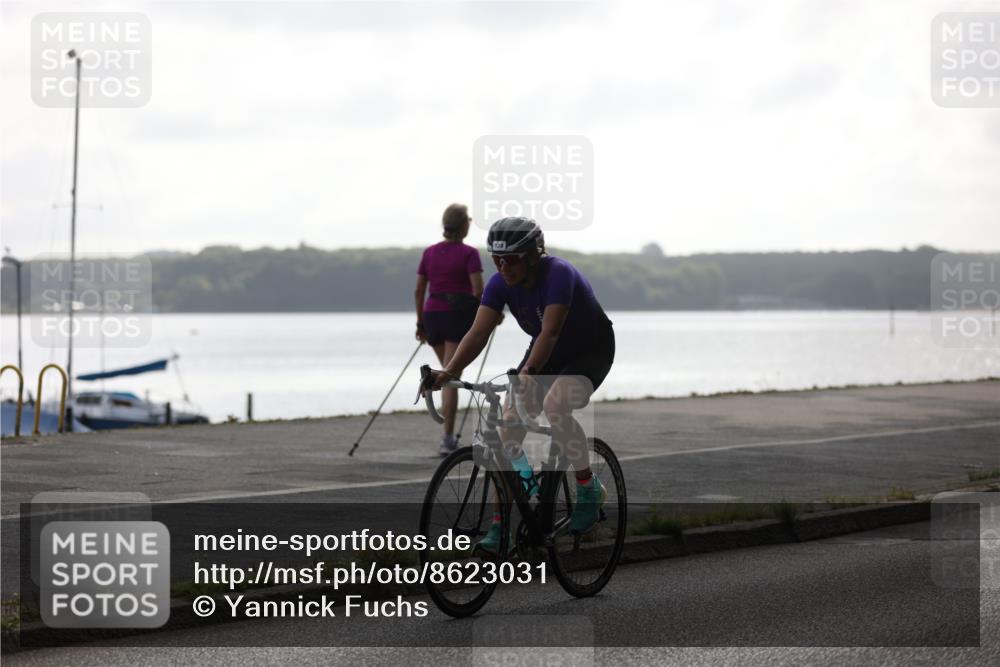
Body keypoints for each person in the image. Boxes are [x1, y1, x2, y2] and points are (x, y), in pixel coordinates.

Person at [427, 217, 615, 552]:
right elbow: (477, 332)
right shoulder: (499, 284)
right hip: (547, 352)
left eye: (510, 258)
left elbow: (551, 332)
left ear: (532, 255)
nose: (503, 266)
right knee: (506, 433)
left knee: (556, 404)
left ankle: (587, 484)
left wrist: (529, 372)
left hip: (590, 349)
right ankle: (503, 528)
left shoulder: (558, 273)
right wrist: (448, 371)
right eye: (496, 259)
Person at [415, 203, 484, 455]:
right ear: (464, 224)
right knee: (451, 375)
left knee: (446, 371)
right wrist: (488, 317)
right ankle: (447, 439)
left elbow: (419, 289)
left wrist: (420, 322)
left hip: (432, 315)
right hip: (457, 316)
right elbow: (478, 291)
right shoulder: (469, 254)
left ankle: (446, 434)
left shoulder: (429, 253)